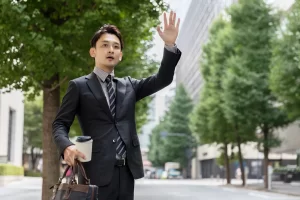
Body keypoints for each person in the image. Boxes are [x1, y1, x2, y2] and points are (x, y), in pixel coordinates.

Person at [52, 11, 181, 200]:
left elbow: (163, 79)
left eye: (115, 46)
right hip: (93, 171)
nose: (110, 50)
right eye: (105, 45)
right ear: (93, 52)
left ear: (120, 55)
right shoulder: (78, 86)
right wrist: (66, 146)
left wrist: (169, 45)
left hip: (127, 171)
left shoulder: (129, 85)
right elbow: (59, 124)